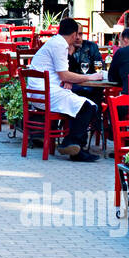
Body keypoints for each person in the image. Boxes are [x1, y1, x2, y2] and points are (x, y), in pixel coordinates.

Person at [26, 19, 102, 161]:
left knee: (81, 105)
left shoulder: (55, 42)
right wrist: (90, 77)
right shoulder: (61, 45)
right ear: (74, 34)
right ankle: (72, 145)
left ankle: (73, 144)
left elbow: (60, 73)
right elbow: (64, 74)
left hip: (40, 91)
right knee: (88, 106)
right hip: (46, 92)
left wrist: (66, 79)